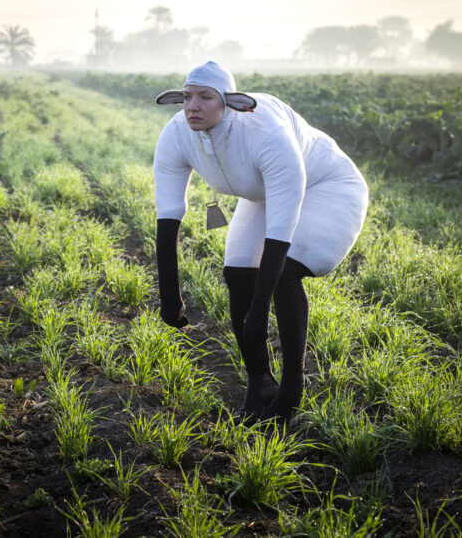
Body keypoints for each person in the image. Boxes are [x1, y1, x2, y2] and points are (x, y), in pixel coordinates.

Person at [152, 61, 367, 424]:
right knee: (237, 274)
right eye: (187, 97)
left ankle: (291, 389)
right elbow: (169, 214)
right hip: (264, 193)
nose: (193, 106)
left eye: (206, 97)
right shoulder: (176, 135)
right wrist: (169, 297)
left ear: (231, 103)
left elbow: (280, 232)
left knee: (283, 273)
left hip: (326, 186)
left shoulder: (267, 134)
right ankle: (260, 382)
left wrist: (259, 310)